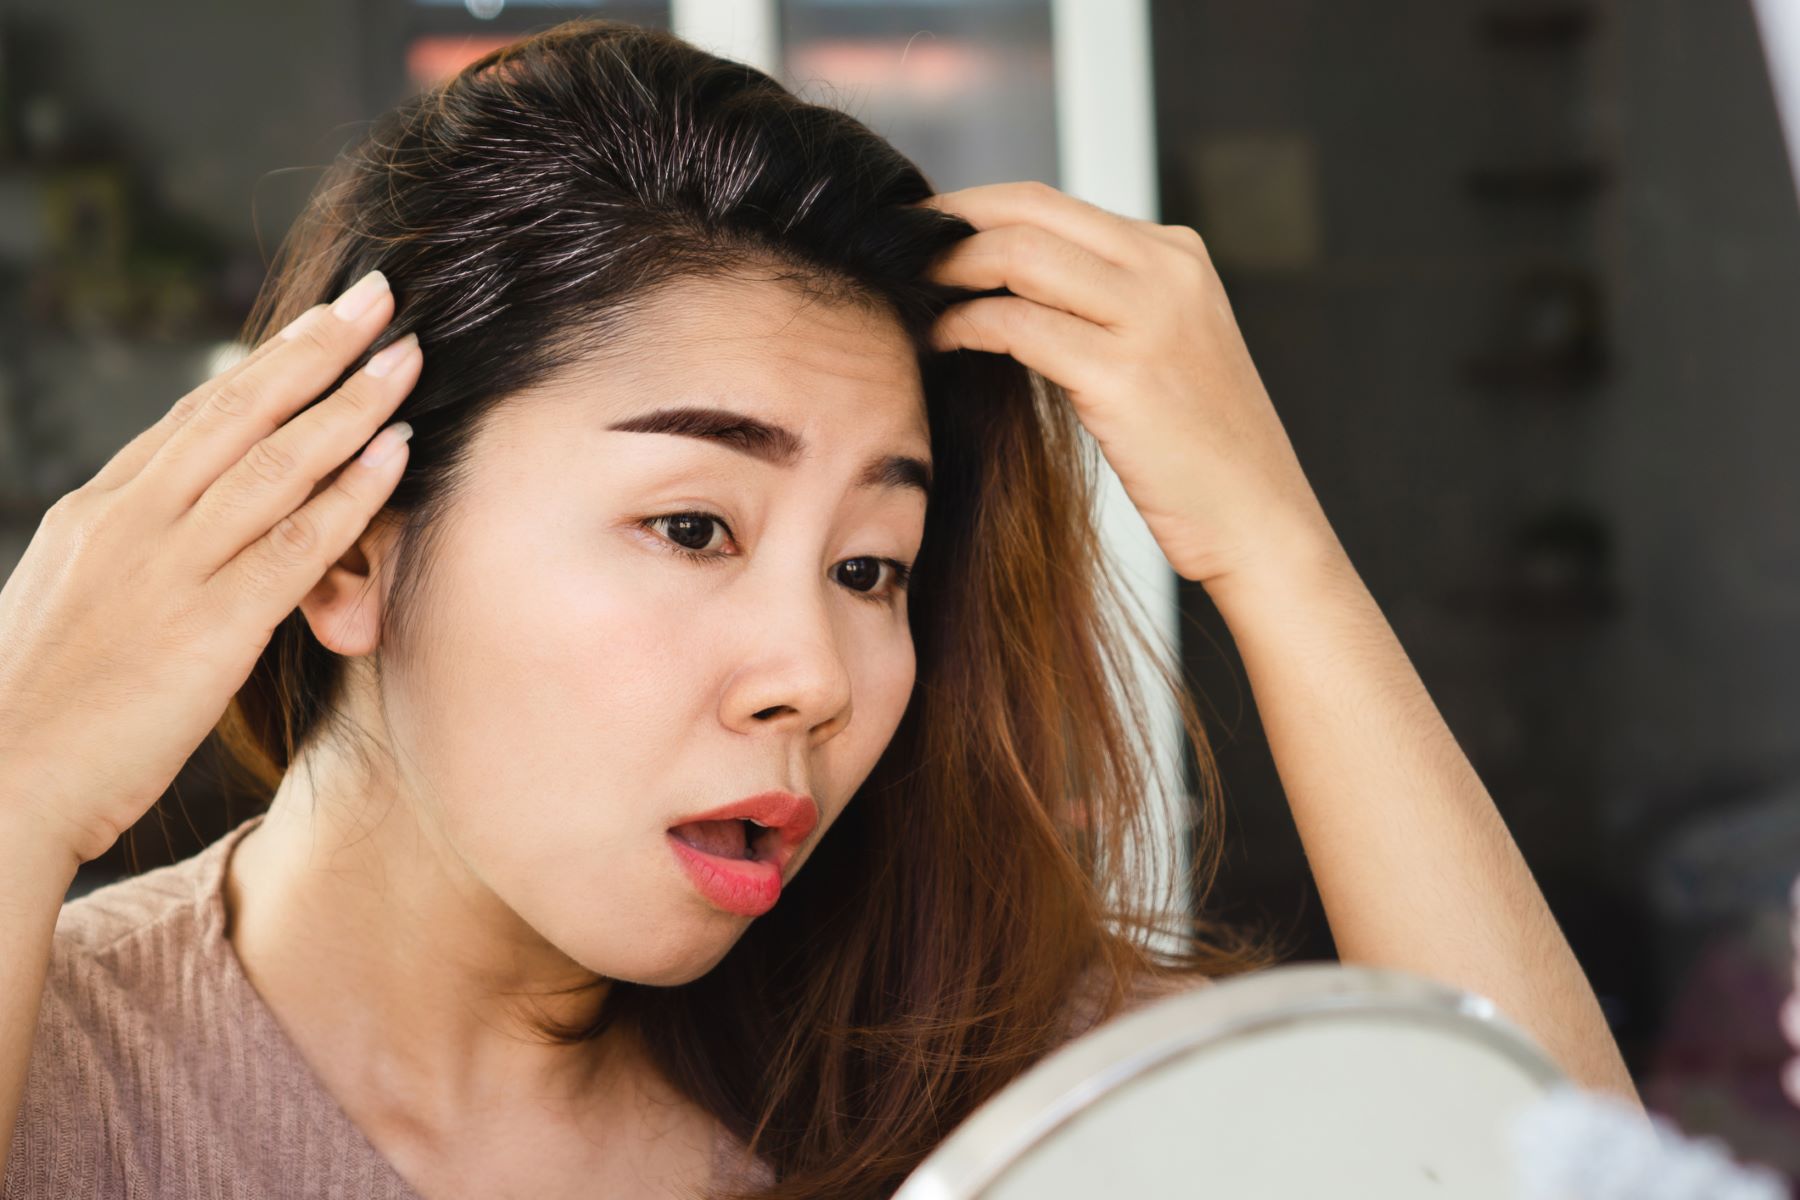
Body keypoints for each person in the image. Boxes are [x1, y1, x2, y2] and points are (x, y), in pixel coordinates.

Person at [0, 17, 1638, 1200]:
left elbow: (1568, 1179)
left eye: (872, 569)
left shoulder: (960, 1064)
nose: (815, 676)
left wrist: (1281, 557)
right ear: (348, 550)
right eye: (696, 524)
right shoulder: (66, 1078)